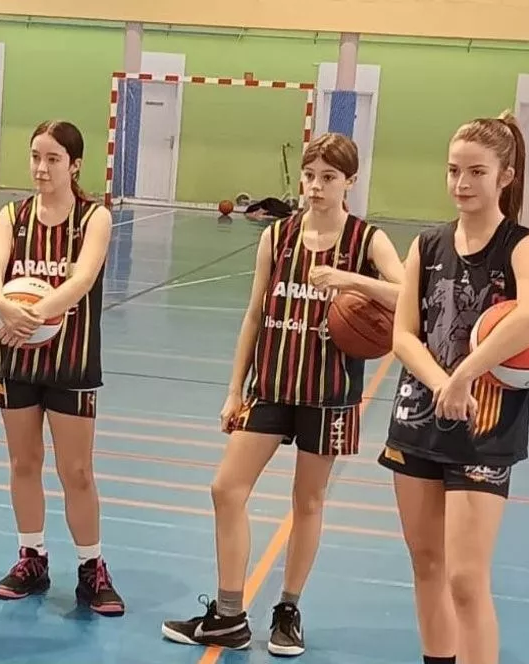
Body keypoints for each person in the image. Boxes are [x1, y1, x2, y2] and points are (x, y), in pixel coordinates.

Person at [161, 133, 404, 656]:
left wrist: (350, 282)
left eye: (329, 179)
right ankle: (228, 615)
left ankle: (288, 609)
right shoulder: (278, 235)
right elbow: (254, 314)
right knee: (226, 488)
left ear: (350, 183)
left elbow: (408, 294)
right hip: (271, 385)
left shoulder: (367, 240)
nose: (316, 187)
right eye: (310, 176)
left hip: (329, 392)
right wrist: (233, 391)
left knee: (307, 501)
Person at [377, 112, 529, 664]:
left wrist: (465, 374)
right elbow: (404, 336)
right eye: (453, 171)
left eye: (476, 171)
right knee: (425, 563)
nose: (461, 184)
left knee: (466, 579)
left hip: (485, 425)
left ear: (506, 175)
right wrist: (441, 382)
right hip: (418, 418)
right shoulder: (426, 246)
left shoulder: (521, 245)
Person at [0, 120, 123, 616]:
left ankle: (91, 567)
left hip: (72, 360)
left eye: (53, 159)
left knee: (76, 470)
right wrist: (2, 306)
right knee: (23, 464)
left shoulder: (93, 217)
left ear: (75, 164)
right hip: (15, 355)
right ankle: (31, 559)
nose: (41, 168)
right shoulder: (12, 216)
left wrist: (32, 315)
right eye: (36, 157)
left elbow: (83, 278)